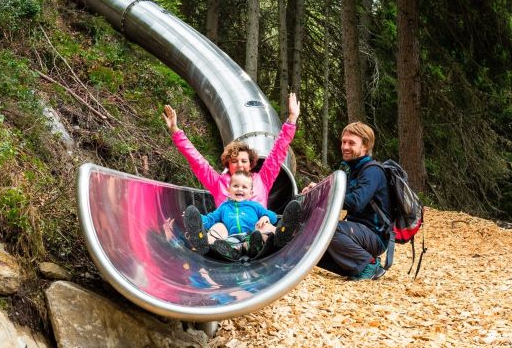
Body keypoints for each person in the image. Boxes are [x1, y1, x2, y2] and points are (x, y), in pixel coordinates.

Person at [162, 93, 300, 208]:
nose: (240, 164)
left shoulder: (263, 179)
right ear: (228, 165)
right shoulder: (218, 183)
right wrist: (175, 130)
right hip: (227, 233)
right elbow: (197, 160)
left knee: (265, 228)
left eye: (244, 161)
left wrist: (292, 118)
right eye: (234, 161)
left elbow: (278, 152)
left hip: (257, 231)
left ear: (251, 164)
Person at [302, 121, 390, 280]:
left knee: (327, 229)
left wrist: (326, 193)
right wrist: (317, 191)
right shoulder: (352, 170)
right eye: (343, 142)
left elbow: (356, 202)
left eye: (351, 143)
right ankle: (356, 268)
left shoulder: (372, 171)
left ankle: (369, 265)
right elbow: (338, 195)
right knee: (312, 244)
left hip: (375, 235)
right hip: (357, 231)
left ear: (365, 146)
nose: (345, 146)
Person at [183, 171, 301, 261]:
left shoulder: (255, 206)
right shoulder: (225, 207)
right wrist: (196, 219)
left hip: (254, 236)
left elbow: (273, 216)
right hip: (230, 241)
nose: (240, 189)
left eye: (244, 187)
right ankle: (204, 241)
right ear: (229, 190)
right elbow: (210, 219)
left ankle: (281, 234)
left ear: (250, 192)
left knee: (265, 226)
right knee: (218, 225)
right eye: (236, 186)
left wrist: (265, 217)